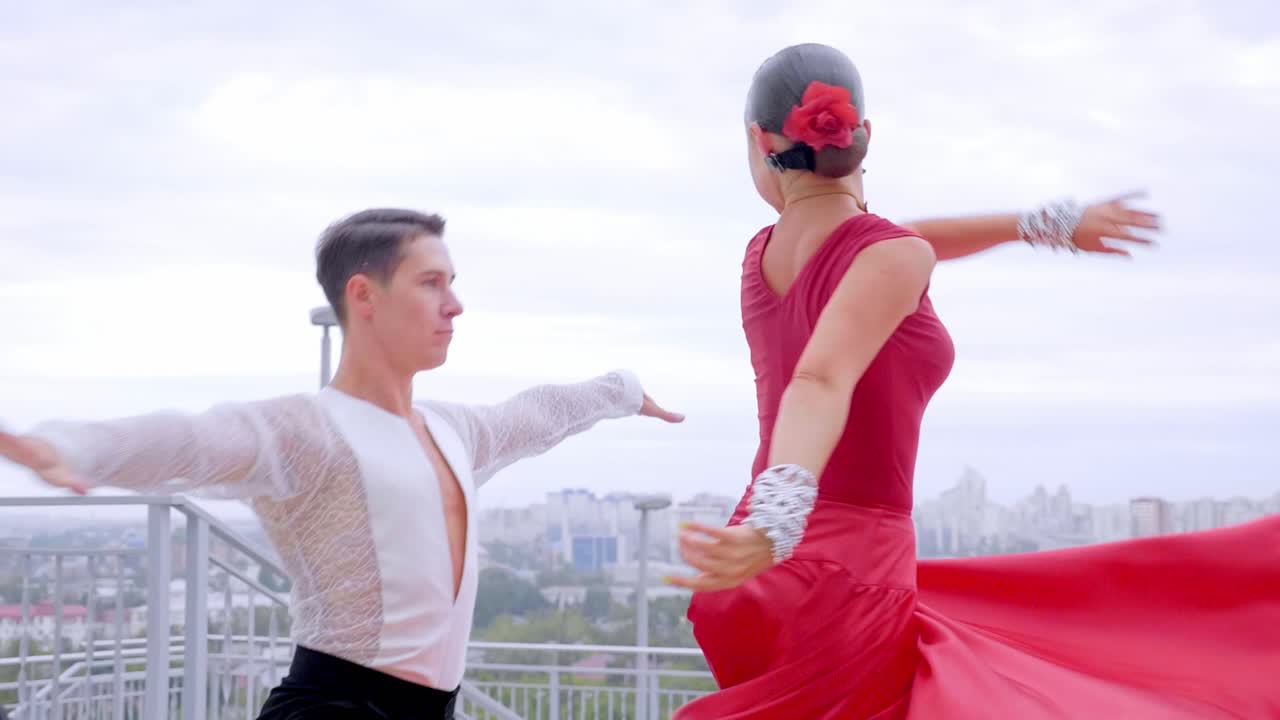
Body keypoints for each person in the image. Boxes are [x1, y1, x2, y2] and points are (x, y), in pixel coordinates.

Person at [668, 43, 1280, 719]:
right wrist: (778, 526)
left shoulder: (766, 255)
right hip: (843, 563)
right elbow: (819, 377)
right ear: (865, 135)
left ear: (759, 141)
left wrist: (1042, 225)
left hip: (767, 561)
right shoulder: (886, 255)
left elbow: (909, 241)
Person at [0, 208, 685, 720]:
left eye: (453, 283)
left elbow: (540, 413)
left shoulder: (455, 429)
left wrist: (622, 390)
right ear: (364, 296)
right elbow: (191, 438)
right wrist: (65, 446)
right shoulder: (310, 430)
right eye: (430, 283)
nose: (455, 304)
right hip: (335, 707)